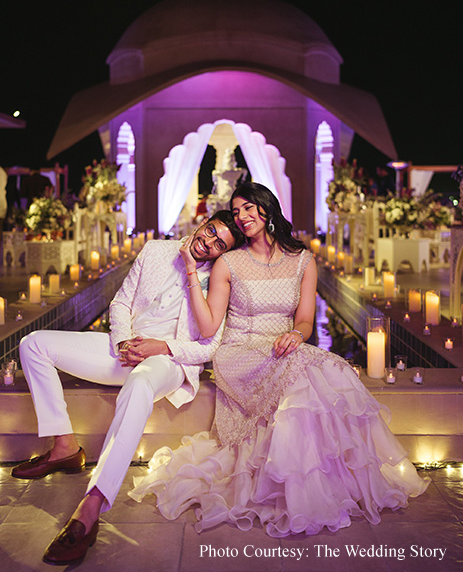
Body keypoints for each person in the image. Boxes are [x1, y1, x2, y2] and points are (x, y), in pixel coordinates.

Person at [128, 182, 429, 537]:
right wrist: (192, 271)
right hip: (239, 354)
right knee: (307, 371)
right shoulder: (228, 262)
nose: (241, 217)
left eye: (247, 208)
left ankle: (320, 485)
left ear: (266, 209)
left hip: (284, 348)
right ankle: (304, 488)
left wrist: (296, 334)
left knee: (327, 369)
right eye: (236, 211)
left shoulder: (303, 260)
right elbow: (209, 325)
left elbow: (304, 321)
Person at [12, 211, 244, 565]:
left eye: (219, 245)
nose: (209, 242)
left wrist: (161, 347)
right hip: (123, 349)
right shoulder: (154, 250)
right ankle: (64, 447)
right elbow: (120, 303)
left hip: (167, 361)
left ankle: (91, 505)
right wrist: (122, 342)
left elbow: (209, 347)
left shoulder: (218, 278)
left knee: (139, 384)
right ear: (203, 222)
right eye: (211, 231)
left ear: (221, 253)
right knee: (33, 344)